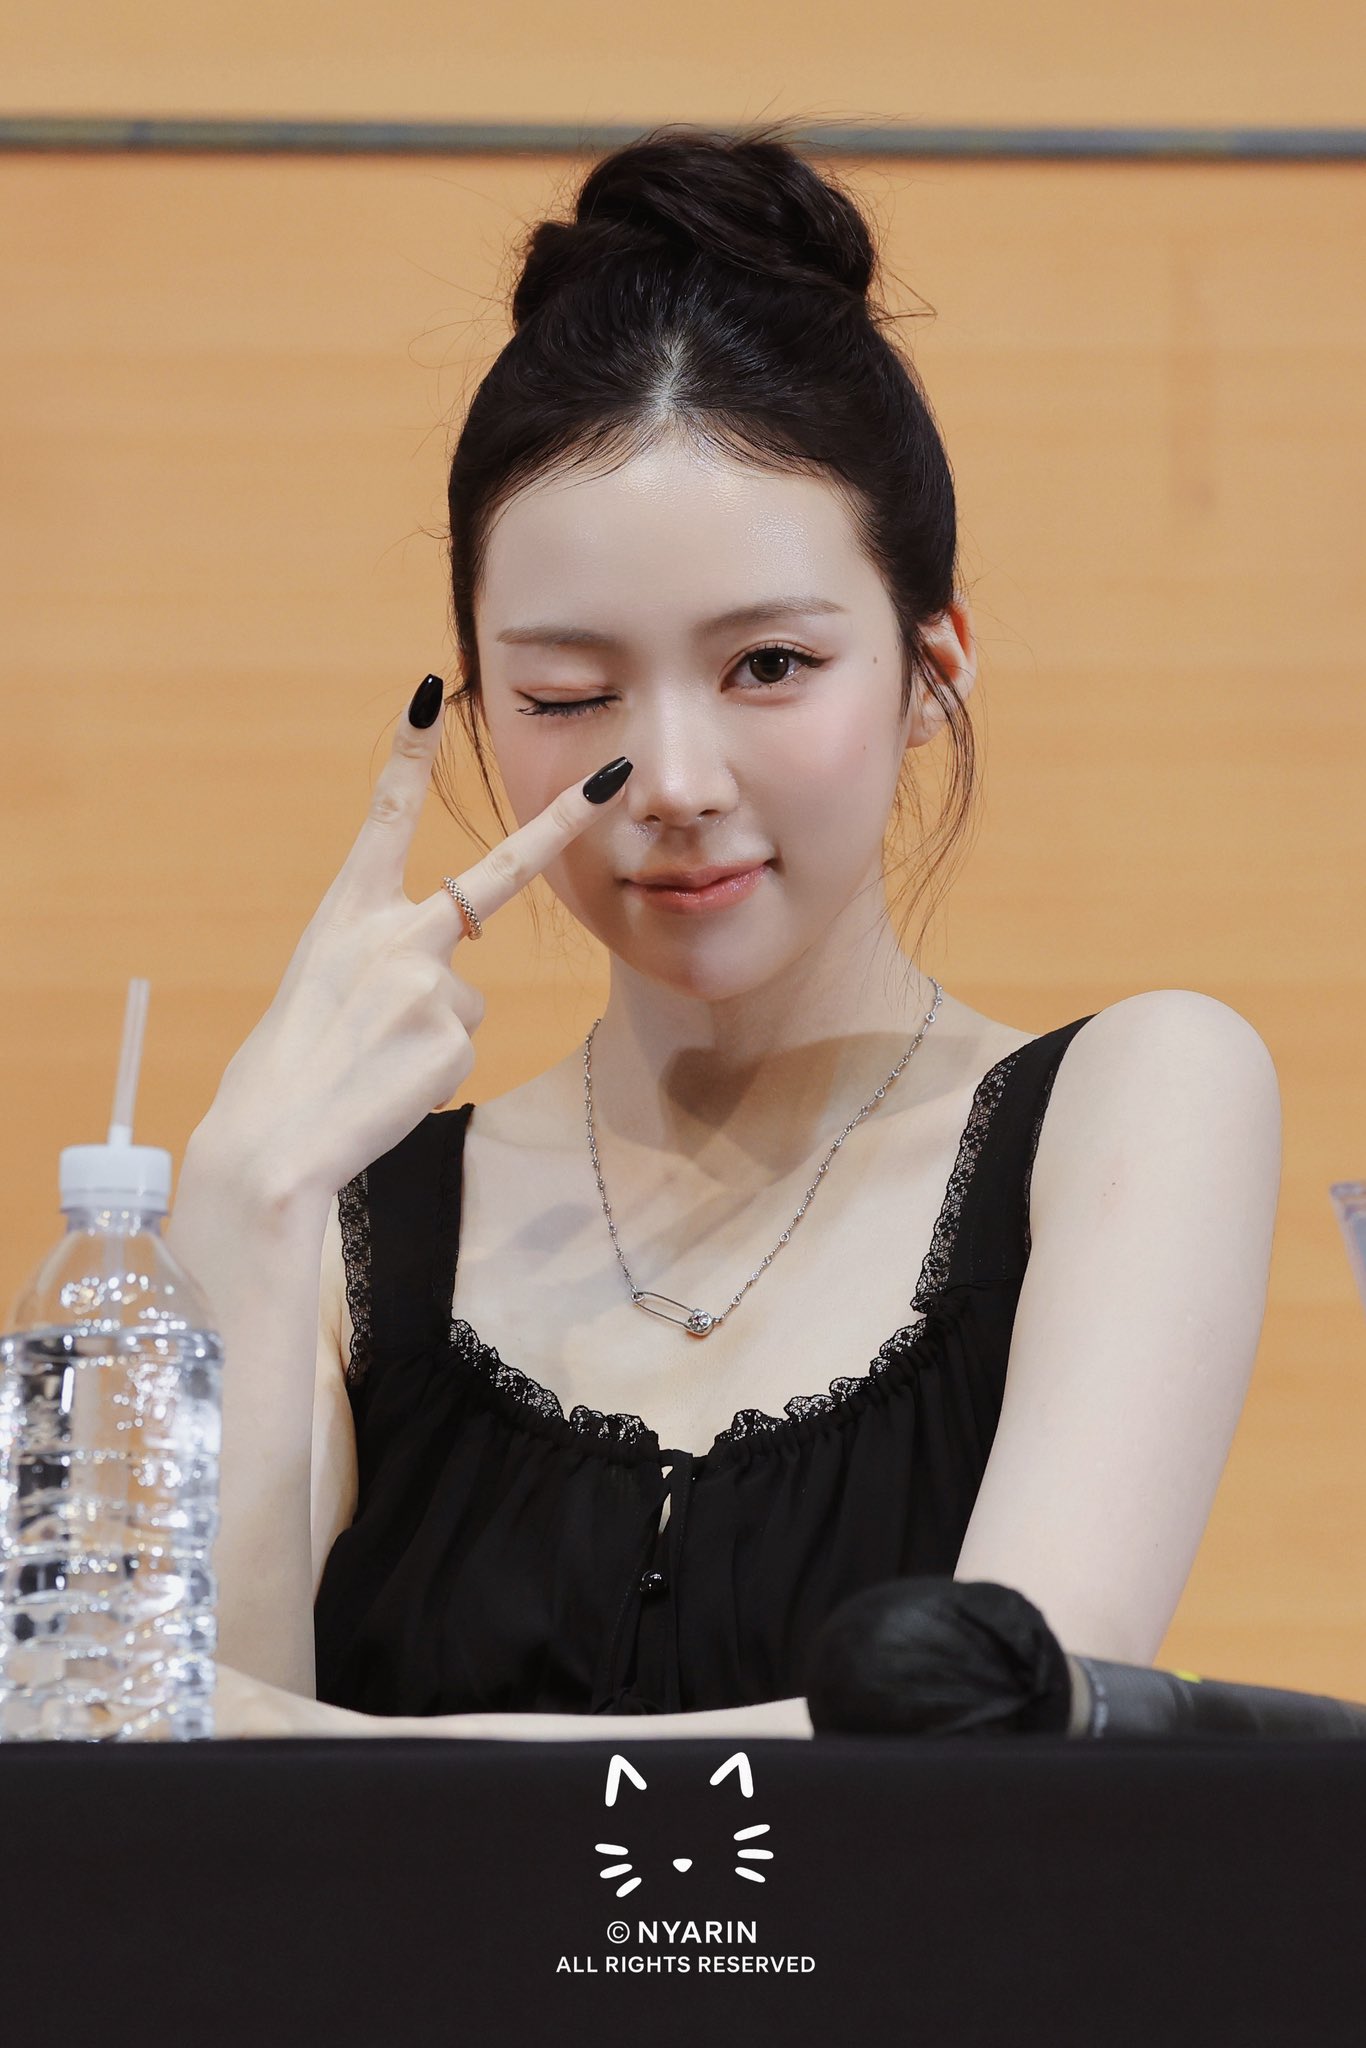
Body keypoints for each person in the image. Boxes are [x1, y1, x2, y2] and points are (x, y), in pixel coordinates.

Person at [171, 121, 1282, 1741]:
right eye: (569, 694)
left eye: (769, 666)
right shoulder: (345, 1227)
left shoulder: (1134, 1099)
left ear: (931, 671)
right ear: (479, 710)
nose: (675, 784)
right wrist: (241, 1202)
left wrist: (356, 1769)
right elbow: (177, 1828)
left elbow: (993, 1735)